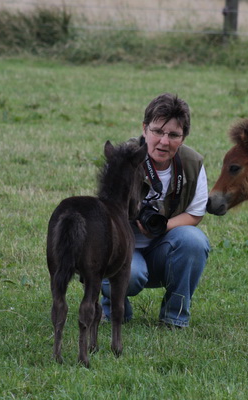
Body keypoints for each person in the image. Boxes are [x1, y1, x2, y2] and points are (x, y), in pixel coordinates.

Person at [101, 93, 210, 328]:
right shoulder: (123, 158)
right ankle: (113, 308)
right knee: (130, 274)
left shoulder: (192, 163)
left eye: (173, 135)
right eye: (158, 131)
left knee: (194, 241)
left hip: (162, 246)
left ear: (183, 138)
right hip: (122, 247)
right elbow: (104, 213)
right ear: (144, 129)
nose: (164, 141)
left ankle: (175, 317)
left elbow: (196, 213)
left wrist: (162, 227)